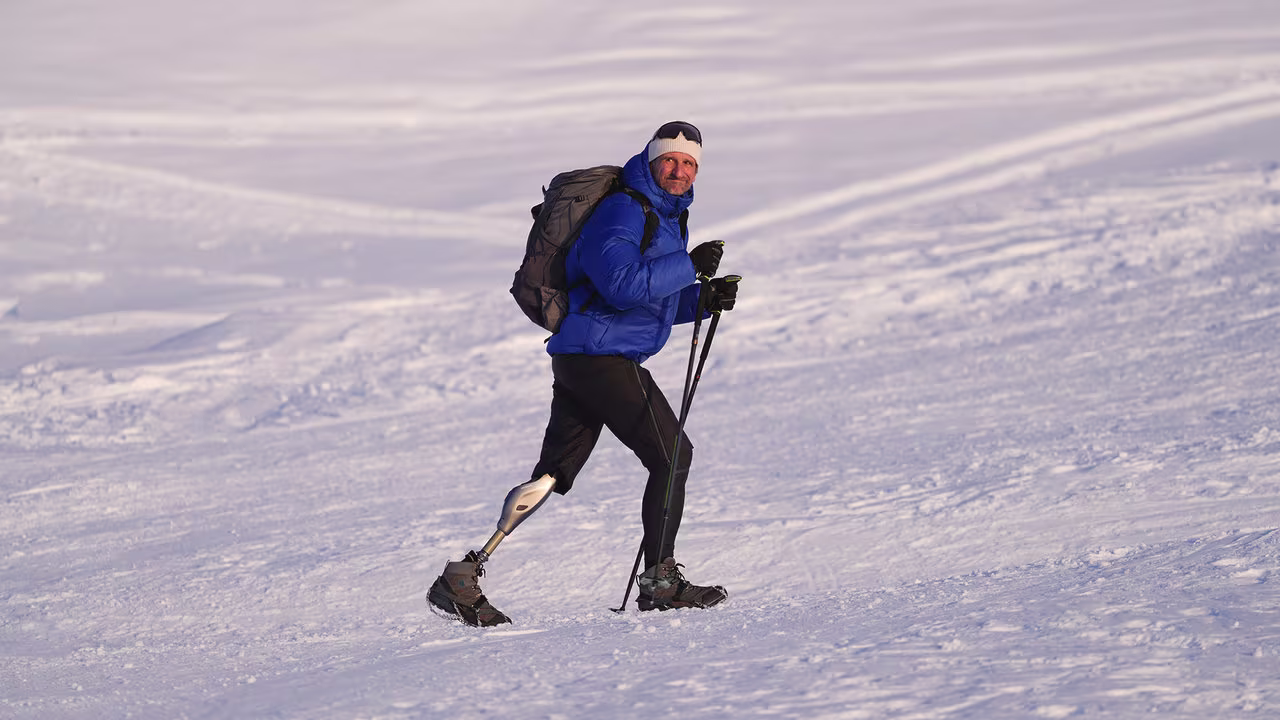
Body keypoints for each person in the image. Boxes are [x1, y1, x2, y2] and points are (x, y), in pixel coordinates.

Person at [429, 121, 739, 627]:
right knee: (672, 454)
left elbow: (643, 301)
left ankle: (462, 575)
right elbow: (619, 285)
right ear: (652, 160)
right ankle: (660, 582)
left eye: (690, 164)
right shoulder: (624, 208)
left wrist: (701, 300)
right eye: (671, 160)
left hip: (591, 355)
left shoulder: (664, 215)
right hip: (599, 357)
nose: (679, 170)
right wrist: (687, 266)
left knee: (555, 472)